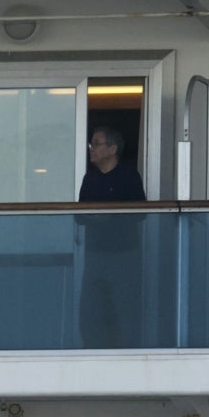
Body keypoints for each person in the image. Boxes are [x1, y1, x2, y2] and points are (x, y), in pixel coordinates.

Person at [77, 125, 147, 348]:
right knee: (90, 308)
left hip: (124, 254)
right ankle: (92, 351)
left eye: (96, 144)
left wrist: (108, 217)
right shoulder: (90, 179)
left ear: (112, 148)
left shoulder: (129, 176)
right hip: (95, 254)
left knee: (124, 306)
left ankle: (128, 352)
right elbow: (79, 216)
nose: (92, 149)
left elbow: (140, 213)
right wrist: (99, 217)